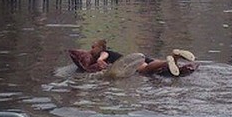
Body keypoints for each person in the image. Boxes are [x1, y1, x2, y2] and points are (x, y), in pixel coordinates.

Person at [68, 39, 196, 77]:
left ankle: (168, 60)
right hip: (141, 58)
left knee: (145, 70)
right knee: (164, 68)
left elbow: (102, 58)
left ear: (101, 48)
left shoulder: (105, 53)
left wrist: (100, 62)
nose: (91, 49)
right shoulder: (108, 52)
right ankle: (175, 57)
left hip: (134, 61)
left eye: (93, 47)